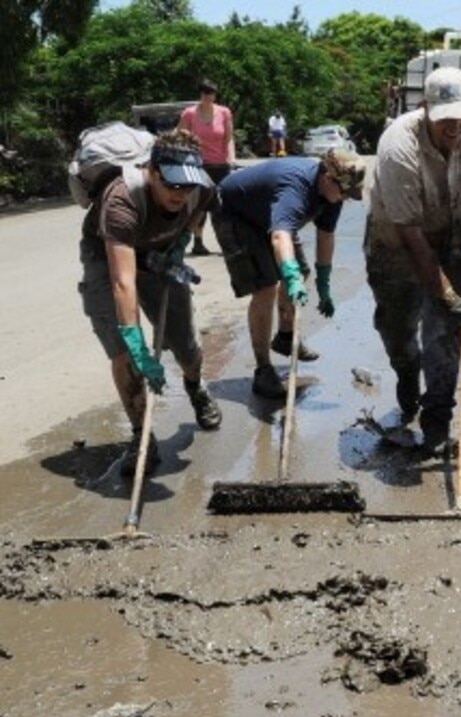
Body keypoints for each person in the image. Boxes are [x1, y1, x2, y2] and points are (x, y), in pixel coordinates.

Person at [78, 129, 223, 478]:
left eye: (186, 186)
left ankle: (194, 387)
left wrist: (182, 240)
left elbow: (196, 210)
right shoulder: (122, 200)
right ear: (153, 170)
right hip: (108, 254)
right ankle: (142, 434)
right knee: (124, 353)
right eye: (172, 184)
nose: (180, 193)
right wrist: (137, 346)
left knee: (184, 345)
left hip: (160, 251)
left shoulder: (200, 188)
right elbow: (122, 281)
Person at [365, 67, 461, 452]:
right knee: (398, 331)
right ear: (425, 110)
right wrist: (450, 296)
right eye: (445, 118)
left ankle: (438, 417)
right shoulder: (397, 149)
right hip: (397, 247)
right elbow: (413, 239)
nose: (454, 126)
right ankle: (406, 373)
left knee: (443, 334)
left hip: (449, 236)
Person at [211, 149, 365, 398]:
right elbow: (280, 236)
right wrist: (289, 276)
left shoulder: (334, 193)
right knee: (266, 286)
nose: (345, 198)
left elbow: (326, 235)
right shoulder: (295, 189)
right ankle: (263, 371)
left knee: (299, 271)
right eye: (344, 192)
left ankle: (285, 336)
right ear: (328, 178)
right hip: (235, 213)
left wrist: (324, 282)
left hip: (267, 214)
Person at [177, 79, 235, 256]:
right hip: (198, 164)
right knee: (200, 206)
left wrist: (231, 157)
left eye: (211, 94)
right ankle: (197, 241)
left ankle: (227, 242)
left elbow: (229, 137)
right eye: (205, 93)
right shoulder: (190, 113)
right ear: (200, 95)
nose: (208, 97)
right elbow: (179, 134)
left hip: (221, 164)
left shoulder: (224, 112)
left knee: (222, 205)